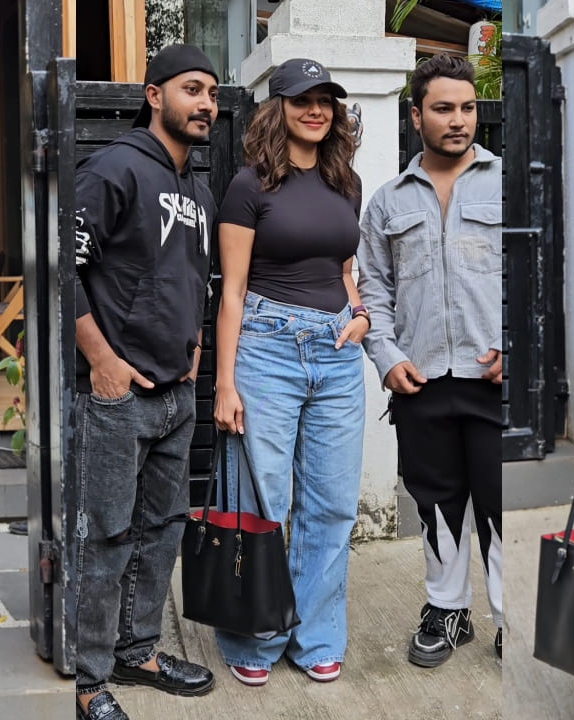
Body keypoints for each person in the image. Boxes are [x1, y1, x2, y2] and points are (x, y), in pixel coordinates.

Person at [67, 44, 218, 720]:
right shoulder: (113, 168)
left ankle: (140, 650)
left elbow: (196, 280)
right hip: (117, 396)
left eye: (212, 93)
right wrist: (100, 359)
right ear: (154, 96)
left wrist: (196, 347)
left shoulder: (199, 186)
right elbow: (60, 269)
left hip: (176, 394)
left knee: (162, 529)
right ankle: (92, 681)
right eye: (192, 89)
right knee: (106, 536)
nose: (206, 104)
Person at [211, 58, 366, 686]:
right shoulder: (248, 187)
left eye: (326, 100)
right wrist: (224, 384)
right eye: (304, 99)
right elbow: (233, 291)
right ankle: (255, 637)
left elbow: (345, 268)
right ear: (277, 108)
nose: (317, 109)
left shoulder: (346, 183)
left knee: (331, 503)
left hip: (336, 354)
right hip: (266, 349)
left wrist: (359, 312)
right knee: (262, 500)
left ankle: (317, 634)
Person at [356, 54, 503, 668]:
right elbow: (373, 289)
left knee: (498, 501)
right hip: (419, 381)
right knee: (436, 498)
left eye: (467, 107)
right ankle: (447, 610)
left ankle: (509, 617)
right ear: (416, 115)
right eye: (443, 108)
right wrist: (386, 357)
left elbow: (539, 274)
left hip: (493, 378)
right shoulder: (387, 202)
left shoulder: (507, 183)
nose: (458, 120)